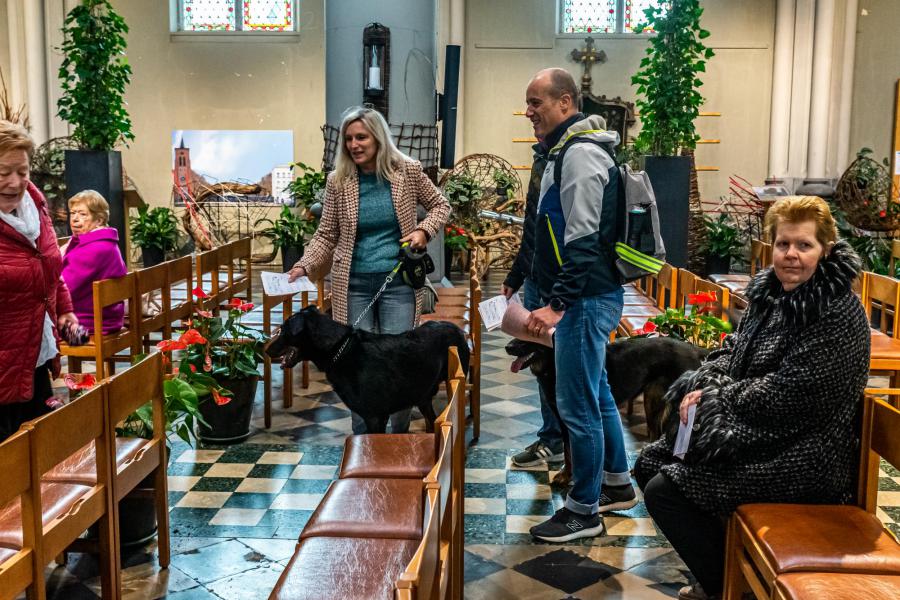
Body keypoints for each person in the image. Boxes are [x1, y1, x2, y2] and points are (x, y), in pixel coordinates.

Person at [634, 196, 870, 600]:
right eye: (783, 245)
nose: (791, 255)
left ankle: (730, 589)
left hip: (805, 456)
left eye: (804, 245)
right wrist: (703, 380)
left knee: (666, 491)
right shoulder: (773, 295)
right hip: (764, 434)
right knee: (652, 461)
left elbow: (793, 393)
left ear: (826, 250)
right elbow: (737, 350)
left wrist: (716, 397)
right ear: (771, 247)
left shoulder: (836, 313)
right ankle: (726, 573)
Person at [522, 68, 636, 543]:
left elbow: (584, 240)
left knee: (578, 405)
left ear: (565, 102)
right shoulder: (563, 152)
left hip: (585, 299)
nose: (529, 112)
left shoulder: (582, 156)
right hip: (584, 297)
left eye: (536, 103)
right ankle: (618, 483)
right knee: (598, 393)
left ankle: (584, 509)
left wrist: (558, 304)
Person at [287, 106, 450, 434]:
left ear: (378, 138)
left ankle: (398, 439)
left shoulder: (407, 171)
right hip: (354, 284)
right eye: (348, 139)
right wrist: (305, 265)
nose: (354, 144)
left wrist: (423, 232)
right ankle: (364, 443)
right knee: (356, 366)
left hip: (398, 284)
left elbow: (441, 205)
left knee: (398, 363)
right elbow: (327, 233)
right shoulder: (339, 181)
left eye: (361, 137)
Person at [0, 120, 78, 442]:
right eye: (3, 172)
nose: (15, 182)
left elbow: (47, 269)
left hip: (35, 357)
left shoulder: (36, 205)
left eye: (23, 171)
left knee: (39, 458)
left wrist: (64, 310)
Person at [502, 129, 565, 468]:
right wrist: (516, 274)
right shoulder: (541, 156)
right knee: (542, 364)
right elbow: (533, 224)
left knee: (565, 370)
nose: (528, 113)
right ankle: (552, 439)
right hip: (537, 277)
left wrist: (561, 296)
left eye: (536, 104)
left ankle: (573, 449)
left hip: (564, 283)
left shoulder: (575, 155)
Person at [61, 190, 128, 334]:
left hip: (84, 327)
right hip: (106, 320)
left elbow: (63, 289)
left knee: (30, 332)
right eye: (73, 213)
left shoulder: (94, 249)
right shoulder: (105, 243)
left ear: (99, 220)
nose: (75, 219)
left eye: (83, 214)